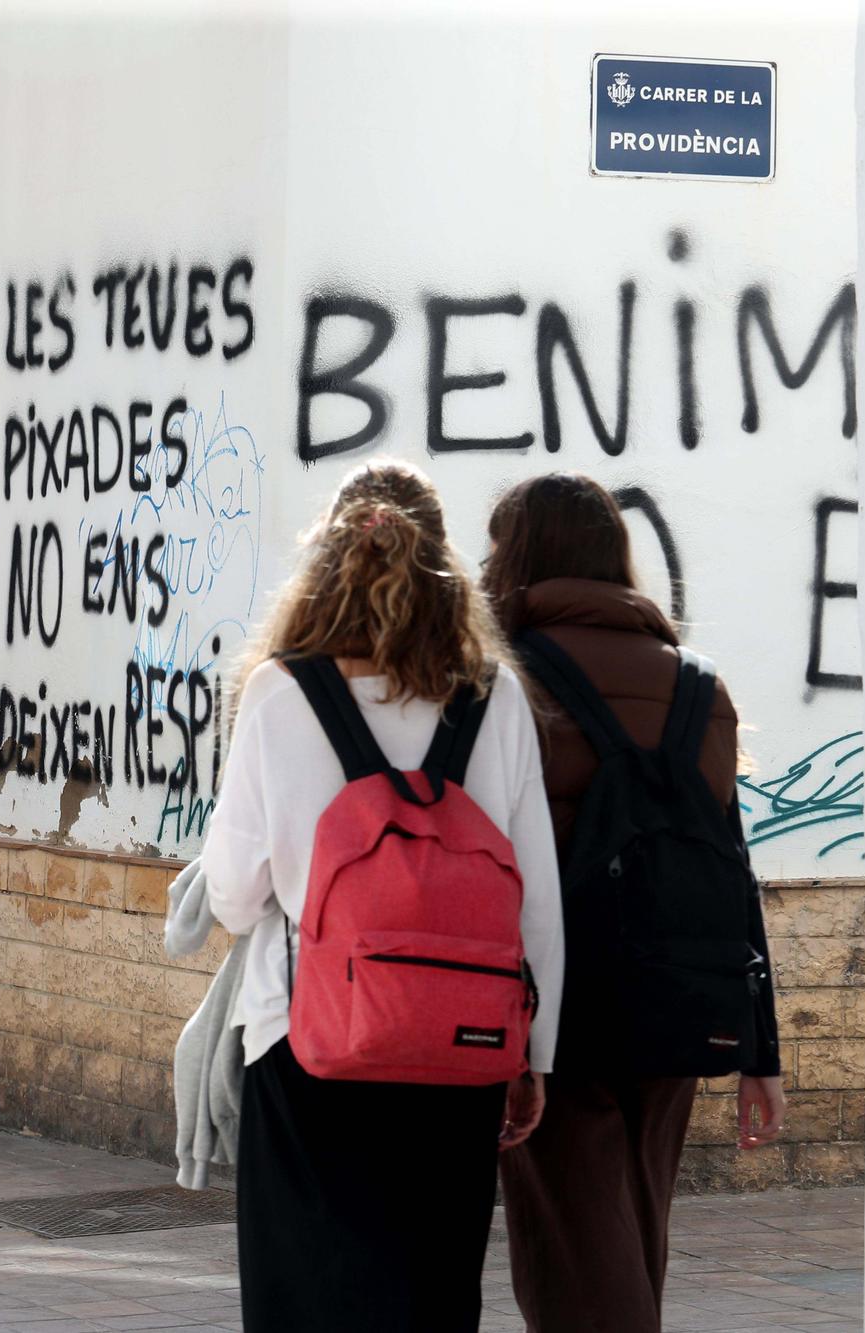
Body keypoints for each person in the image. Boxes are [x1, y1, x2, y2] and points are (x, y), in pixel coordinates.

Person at [203, 461, 564, 1331]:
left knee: (306, 1295)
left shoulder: (280, 693)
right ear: (446, 562)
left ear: (326, 559)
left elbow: (233, 894)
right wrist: (534, 1054)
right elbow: (535, 894)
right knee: (431, 1294)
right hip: (460, 1040)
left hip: (306, 1042)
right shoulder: (494, 696)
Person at [482, 473, 783, 1333]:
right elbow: (731, 868)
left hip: (559, 1003)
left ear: (523, 557)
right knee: (631, 1234)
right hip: (683, 994)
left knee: (572, 1248)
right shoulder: (701, 689)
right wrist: (761, 1047)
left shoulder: (507, 681)